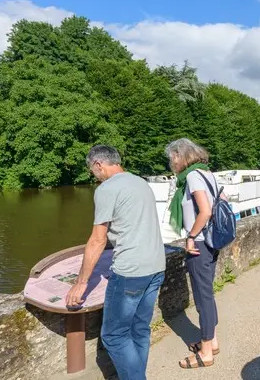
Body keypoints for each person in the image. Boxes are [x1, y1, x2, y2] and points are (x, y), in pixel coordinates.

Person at [65, 145, 166, 380]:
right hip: (156, 265)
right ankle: (135, 375)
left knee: (114, 336)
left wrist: (81, 283)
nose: (94, 175)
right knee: (140, 329)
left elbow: (97, 240)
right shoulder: (141, 182)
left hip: (131, 271)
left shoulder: (107, 189)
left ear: (99, 164)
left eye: (93, 170)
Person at [165, 138, 223, 369]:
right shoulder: (208, 173)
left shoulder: (191, 176)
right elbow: (220, 203)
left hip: (199, 243)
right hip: (211, 241)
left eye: (173, 158)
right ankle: (212, 340)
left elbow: (206, 211)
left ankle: (206, 353)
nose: (172, 162)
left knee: (202, 297)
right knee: (206, 294)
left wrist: (190, 236)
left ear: (181, 156)